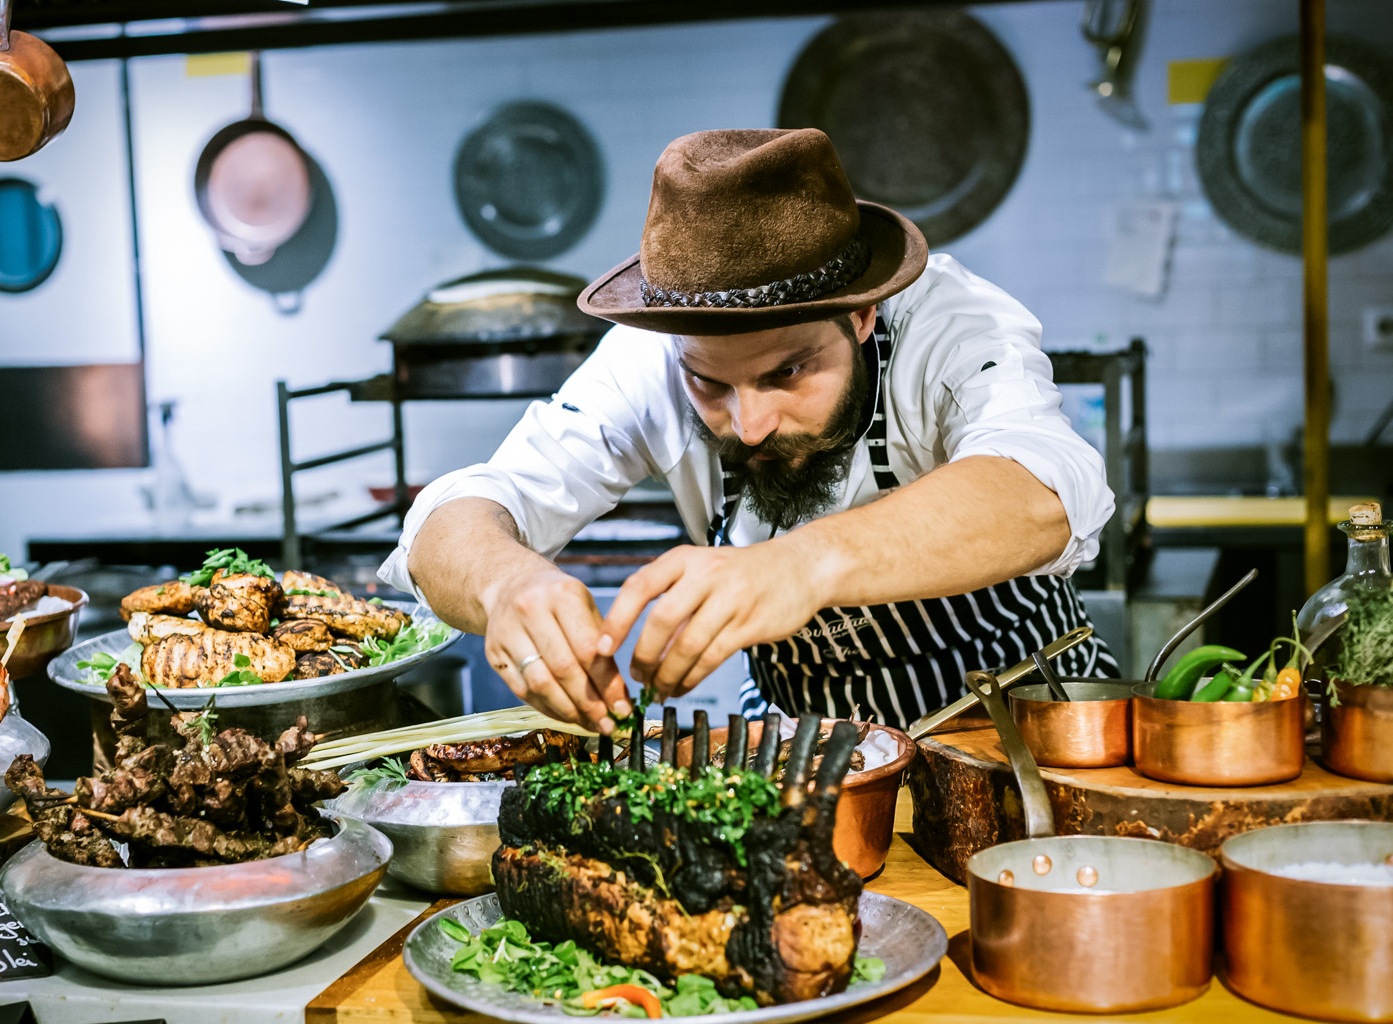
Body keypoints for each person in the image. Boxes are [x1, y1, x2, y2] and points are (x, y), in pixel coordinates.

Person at [380, 128, 1117, 734]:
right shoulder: (651, 356)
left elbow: (1045, 488)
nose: (751, 425)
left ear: (861, 315)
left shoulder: (949, 323)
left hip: (1028, 732)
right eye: (709, 384)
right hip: (804, 751)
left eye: (788, 371)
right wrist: (506, 584)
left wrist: (800, 566)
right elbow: (457, 517)